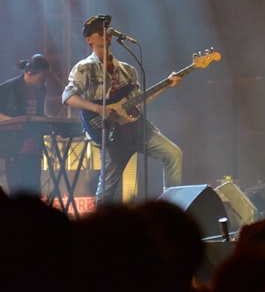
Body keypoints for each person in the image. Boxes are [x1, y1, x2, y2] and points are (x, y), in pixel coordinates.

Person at [62, 15, 183, 204]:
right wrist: (97, 108)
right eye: (100, 31)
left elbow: (140, 100)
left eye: (108, 29)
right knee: (108, 188)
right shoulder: (84, 68)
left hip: (137, 129)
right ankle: (100, 226)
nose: (106, 33)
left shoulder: (128, 69)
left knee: (173, 153)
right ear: (89, 39)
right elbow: (68, 97)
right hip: (111, 133)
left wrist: (167, 84)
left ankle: (174, 207)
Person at [0, 53, 53, 195]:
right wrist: (18, 122)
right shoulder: (8, 88)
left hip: (34, 147)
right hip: (15, 147)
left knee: (35, 191)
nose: (43, 81)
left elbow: (38, 113)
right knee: (18, 193)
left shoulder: (41, 89)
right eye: (41, 78)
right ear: (29, 73)